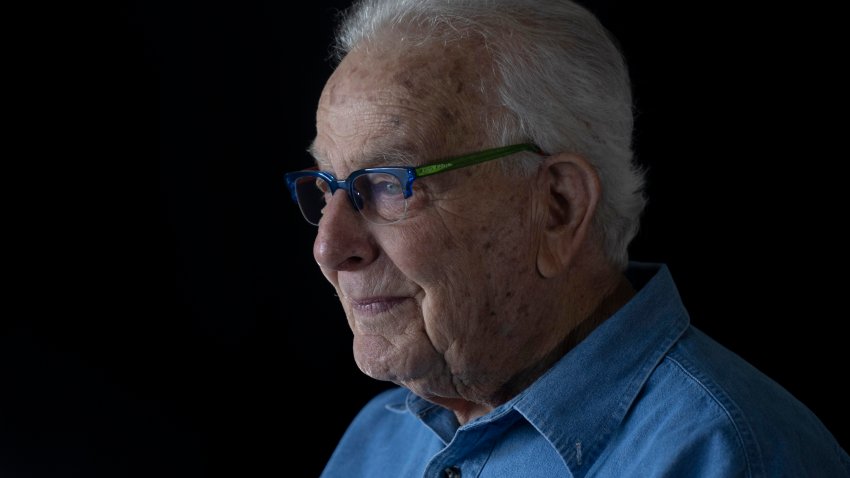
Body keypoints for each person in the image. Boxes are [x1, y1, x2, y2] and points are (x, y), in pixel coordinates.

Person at [284, 0, 850, 476]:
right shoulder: (378, 444)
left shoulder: (725, 456)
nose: (330, 248)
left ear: (559, 207)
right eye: (326, 185)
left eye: (386, 183)